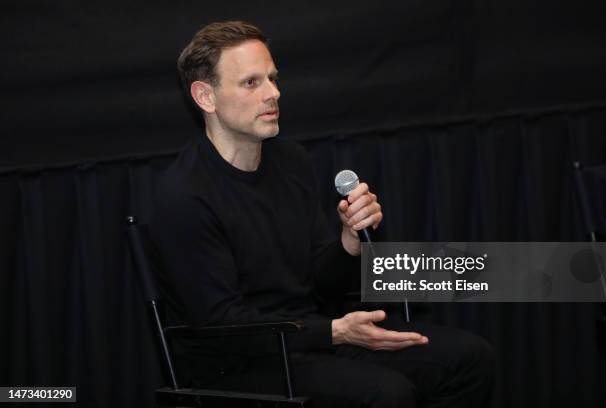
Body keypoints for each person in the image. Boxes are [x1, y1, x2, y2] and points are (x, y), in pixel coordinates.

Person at [149, 20, 494, 407]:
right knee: (388, 395)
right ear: (205, 97)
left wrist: (348, 243)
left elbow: (320, 284)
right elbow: (223, 324)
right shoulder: (183, 195)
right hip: (240, 361)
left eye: (273, 78)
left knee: (469, 358)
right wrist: (334, 331)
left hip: (311, 336)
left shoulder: (291, 162)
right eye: (252, 83)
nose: (273, 93)